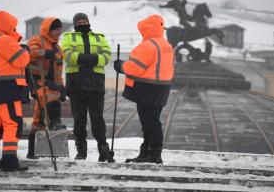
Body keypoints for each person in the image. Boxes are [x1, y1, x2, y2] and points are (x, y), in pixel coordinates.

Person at [114, 14, 174, 164]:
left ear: (147, 29)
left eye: (142, 30)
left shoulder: (147, 46)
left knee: (150, 123)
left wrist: (120, 66)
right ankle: (146, 152)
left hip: (147, 90)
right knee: (152, 121)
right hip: (162, 89)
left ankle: (154, 154)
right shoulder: (167, 45)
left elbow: (134, 68)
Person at [0, 10, 30, 171]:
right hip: (6, 88)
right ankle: (9, 162)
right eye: (13, 26)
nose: (15, 29)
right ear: (8, 25)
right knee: (12, 123)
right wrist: (25, 50)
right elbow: (21, 60)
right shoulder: (5, 40)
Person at [61, 12, 113, 162]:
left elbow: (107, 56)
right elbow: (68, 56)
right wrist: (94, 58)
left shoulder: (99, 38)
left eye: (85, 20)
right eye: (79, 21)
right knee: (79, 120)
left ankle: (103, 150)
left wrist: (82, 58)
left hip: (95, 85)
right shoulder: (68, 38)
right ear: (75, 23)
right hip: (76, 85)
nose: (82, 23)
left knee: (98, 120)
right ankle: (81, 151)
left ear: (88, 22)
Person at [26, 17, 67, 159]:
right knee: (50, 97)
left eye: (61, 29)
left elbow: (58, 72)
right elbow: (30, 52)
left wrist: (62, 88)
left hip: (50, 83)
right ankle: (56, 122)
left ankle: (32, 151)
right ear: (49, 30)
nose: (59, 32)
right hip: (36, 80)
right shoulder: (37, 40)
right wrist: (45, 53)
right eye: (57, 29)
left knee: (39, 117)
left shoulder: (58, 49)